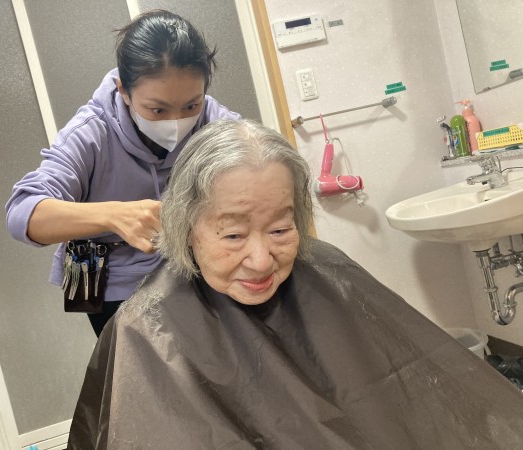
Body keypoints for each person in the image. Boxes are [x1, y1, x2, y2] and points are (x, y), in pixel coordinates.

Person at [67, 119, 523, 449]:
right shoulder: (145, 329)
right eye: (232, 235)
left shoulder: (326, 271)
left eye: (282, 229)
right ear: (186, 227)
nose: (261, 259)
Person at [5, 10, 240, 336]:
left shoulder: (214, 120)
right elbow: (21, 213)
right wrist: (113, 215)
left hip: (179, 264)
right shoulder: (90, 131)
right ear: (124, 91)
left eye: (191, 105)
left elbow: (261, 161)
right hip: (95, 266)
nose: (176, 122)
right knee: (124, 356)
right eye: (157, 109)